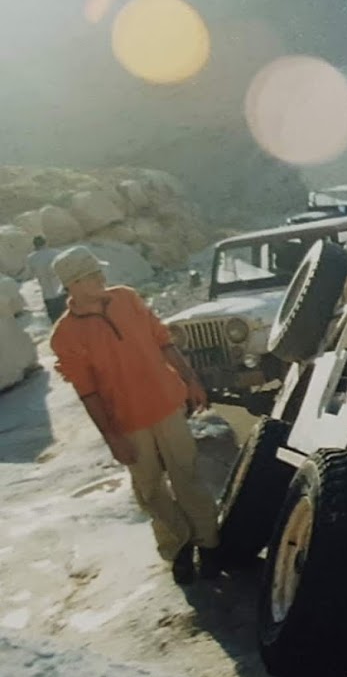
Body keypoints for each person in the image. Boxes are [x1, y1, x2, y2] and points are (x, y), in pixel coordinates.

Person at [48, 246, 221, 585]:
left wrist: (190, 379)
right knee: (150, 489)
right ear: (73, 285)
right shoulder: (65, 335)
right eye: (93, 275)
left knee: (187, 476)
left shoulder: (126, 298)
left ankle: (210, 543)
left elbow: (163, 340)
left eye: (99, 271)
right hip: (127, 421)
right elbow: (87, 392)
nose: (102, 277)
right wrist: (112, 437)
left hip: (168, 405)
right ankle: (179, 547)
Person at [24, 236, 65, 322]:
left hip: (47, 295)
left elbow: (29, 275)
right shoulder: (57, 253)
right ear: (46, 242)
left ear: (34, 245)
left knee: (56, 321)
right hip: (62, 291)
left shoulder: (31, 258)